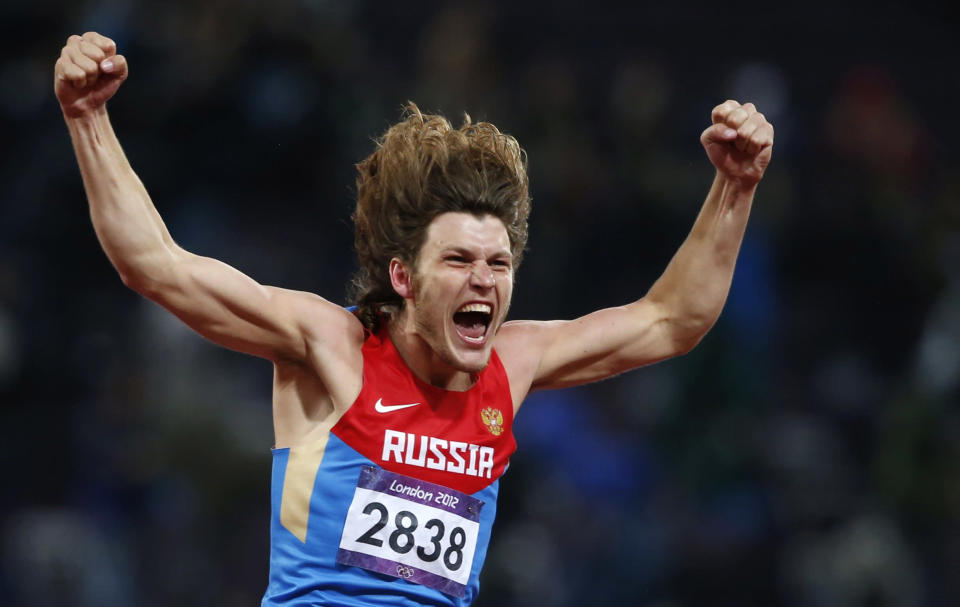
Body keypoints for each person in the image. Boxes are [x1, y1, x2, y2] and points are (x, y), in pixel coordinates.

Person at [55, 31, 774, 607]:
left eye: (499, 263)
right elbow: (156, 264)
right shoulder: (326, 344)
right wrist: (88, 119)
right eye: (460, 259)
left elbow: (673, 319)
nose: (485, 280)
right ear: (403, 276)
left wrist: (734, 188)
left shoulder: (511, 365)